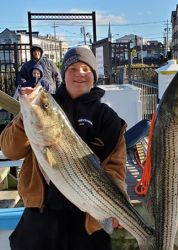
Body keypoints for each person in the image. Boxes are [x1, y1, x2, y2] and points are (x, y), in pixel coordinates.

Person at [0, 45, 127, 250]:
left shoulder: (108, 118)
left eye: (86, 69)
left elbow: (115, 168)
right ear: (64, 74)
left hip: (88, 220)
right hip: (40, 216)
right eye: (73, 68)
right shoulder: (44, 106)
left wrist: (119, 205)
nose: (79, 74)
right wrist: (26, 115)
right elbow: (10, 150)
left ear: (94, 75)